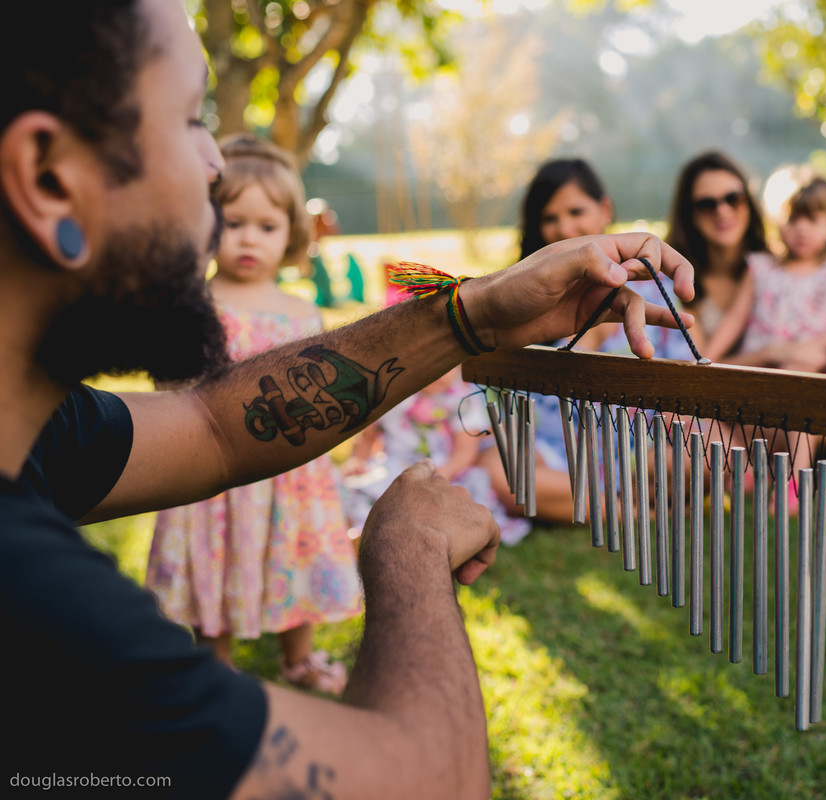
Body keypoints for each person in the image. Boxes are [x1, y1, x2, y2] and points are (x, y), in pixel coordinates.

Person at [0, 1, 695, 794]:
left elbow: (215, 427)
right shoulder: (29, 607)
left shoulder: (36, 436)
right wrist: (408, 554)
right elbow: (428, 781)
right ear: (50, 178)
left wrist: (471, 313)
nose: (217, 165)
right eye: (191, 119)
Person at [145, 135, 361, 694]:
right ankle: (214, 662)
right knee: (214, 559)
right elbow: (171, 384)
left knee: (292, 552)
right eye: (233, 221)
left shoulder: (300, 310)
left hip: (288, 468)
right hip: (211, 465)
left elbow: (319, 386)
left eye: (266, 227)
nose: (248, 238)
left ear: (292, 231)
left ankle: (300, 658)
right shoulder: (196, 302)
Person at [477, 158, 696, 525]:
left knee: (696, 453)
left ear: (605, 209)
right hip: (556, 452)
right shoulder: (528, 295)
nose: (564, 228)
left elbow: (685, 388)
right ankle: (631, 513)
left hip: (639, 449)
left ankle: (612, 496)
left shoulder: (654, 292)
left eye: (576, 211)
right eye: (550, 218)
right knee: (501, 471)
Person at [342, 366, 532, 545]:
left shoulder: (463, 398)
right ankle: (366, 530)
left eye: (450, 368)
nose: (441, 375)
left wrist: (448, 469)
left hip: (444, 470)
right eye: (434, 367)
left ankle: (429, 534)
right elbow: (367, 437)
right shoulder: (393, 394)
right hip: (396, 467)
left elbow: (466, 449)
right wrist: (358, 460)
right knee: (366, 490)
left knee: (457, 499)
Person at [705, 174, 826, 372]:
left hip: (810, 362)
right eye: (792, 219)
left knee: (801, 365)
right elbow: (735, 318)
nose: (801, 229)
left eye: (813, 219)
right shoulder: (761, 268)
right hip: (760, 360)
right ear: (776, 222)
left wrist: (817, 346)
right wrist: (707, 358)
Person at [666, 150, 772, 351]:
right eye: (707, 204)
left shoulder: (774, 269)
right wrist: (770, 355)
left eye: (733, 198)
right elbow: (704, 364)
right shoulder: (672, 281)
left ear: (748, 202)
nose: (722, 211)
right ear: (689, 214)